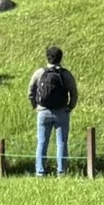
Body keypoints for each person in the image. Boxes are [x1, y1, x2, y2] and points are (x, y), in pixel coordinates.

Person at [29, 44, 79, 176]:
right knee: (61, 142)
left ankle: (40, 172)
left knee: (42, 142)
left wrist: (36, 106)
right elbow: (74, 92)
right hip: (61, 112)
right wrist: (70, 106)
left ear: (47, 57)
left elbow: (31, 91)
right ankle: (61, 171)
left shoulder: (40, 73)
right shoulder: (65, 74)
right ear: (60, 58)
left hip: (43, 112)